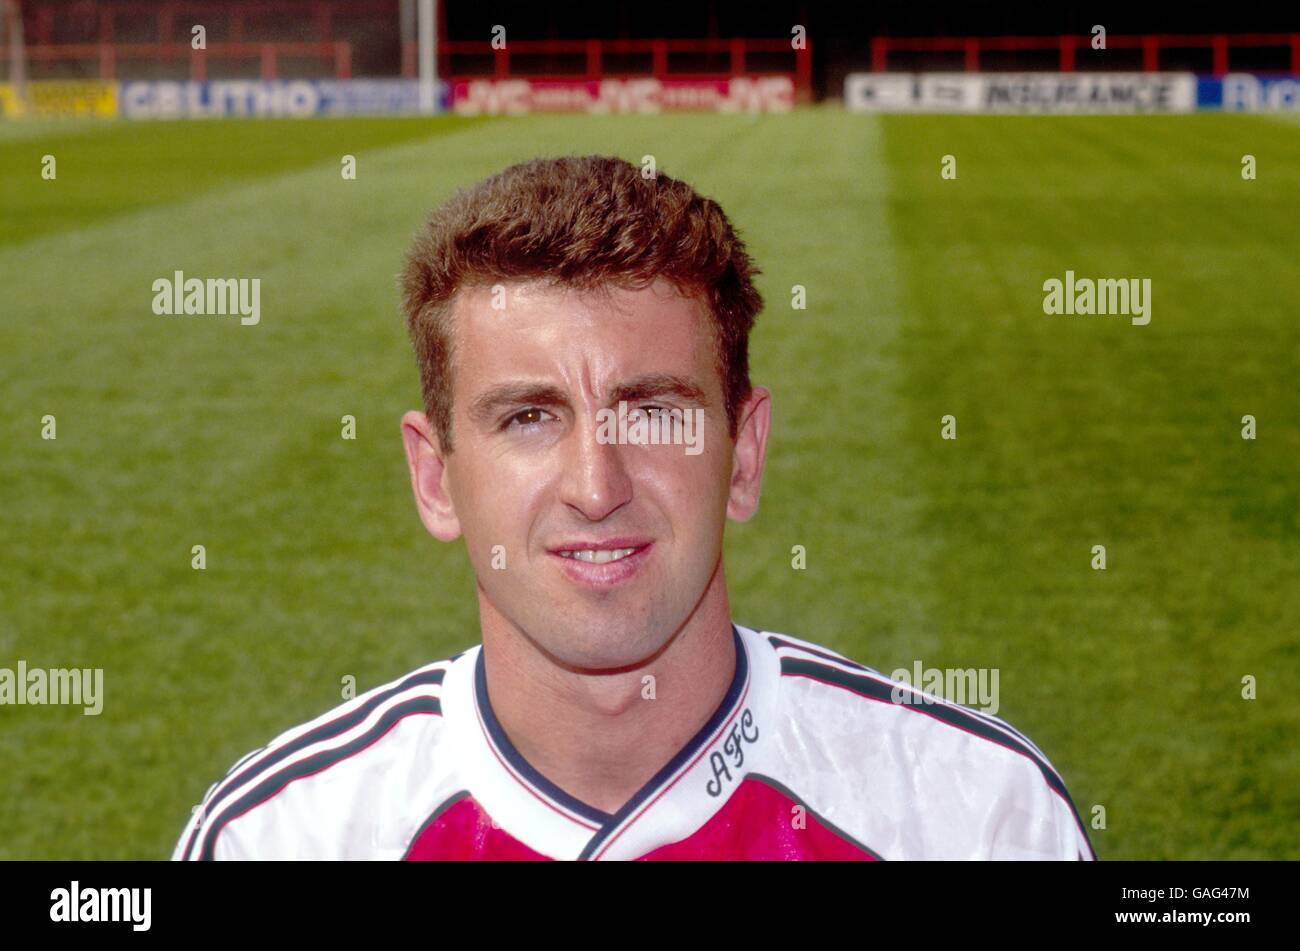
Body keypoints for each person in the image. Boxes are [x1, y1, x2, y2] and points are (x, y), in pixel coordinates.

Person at [173, 156, 1095, 860]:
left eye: (654, 410)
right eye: (529, 416)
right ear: (434, 476)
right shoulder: (283, 837)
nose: (597, 483)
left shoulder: (974, 816)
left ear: (745, 454)